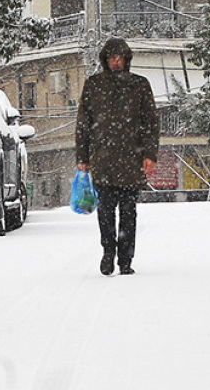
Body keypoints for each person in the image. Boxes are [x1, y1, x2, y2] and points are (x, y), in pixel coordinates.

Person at [75, 37, 159, 276]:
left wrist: (150, 154)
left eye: (121, 58)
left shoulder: (140, 85)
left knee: (129, 211)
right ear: (105, 60)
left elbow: (151, 123)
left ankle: (126, 259)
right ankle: (107, 252)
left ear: (127, 59)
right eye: (112, 58)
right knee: (105, 211)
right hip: (102, 158)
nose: (117, 62)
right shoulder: (93, 85)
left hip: (133, 158)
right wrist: (83, 156)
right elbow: (83, 123)